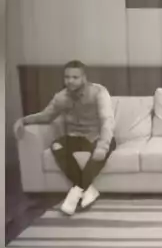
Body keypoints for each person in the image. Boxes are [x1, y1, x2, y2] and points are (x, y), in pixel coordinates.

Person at [14, 60, 116, 216]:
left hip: (97, 136)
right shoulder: (61, 97)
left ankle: (75, 192)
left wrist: (103, 146)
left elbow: (107, 120)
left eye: (75, 77)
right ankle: (87, 189)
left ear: (84, 78)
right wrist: (23, 120)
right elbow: (46, 116)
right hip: (76, 137)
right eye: (67, 77)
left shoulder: (99, 92)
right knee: (56, 146)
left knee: (103, 149)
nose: (70, 81)